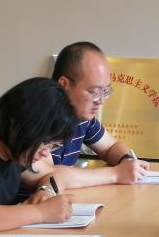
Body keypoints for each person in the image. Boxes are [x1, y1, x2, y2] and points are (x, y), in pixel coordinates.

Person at [0, 77, 78, 233]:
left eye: (53, 146)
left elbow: (52, 175)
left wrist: (44, 192)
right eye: (44, 141)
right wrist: (41, 212)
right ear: (21, 123)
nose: (46, 152)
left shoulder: (13, 151)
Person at [35, 41, 150, 190]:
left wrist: (127, 161)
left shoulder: (82, 117)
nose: (101, 101)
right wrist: (116, 174)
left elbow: (111, 147)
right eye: (94, 92)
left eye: (106, 91)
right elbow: (51, 176)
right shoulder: (36, 116)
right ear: (64, 84)